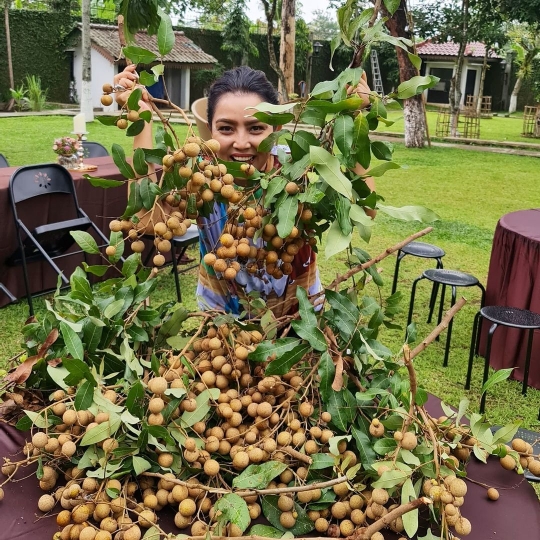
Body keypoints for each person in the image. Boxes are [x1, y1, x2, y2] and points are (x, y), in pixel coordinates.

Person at [113, 65, 375, 317]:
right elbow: (146, 223)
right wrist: (142, 120)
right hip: (220, 323)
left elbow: (364, 210)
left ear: (277, 130)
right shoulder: (199, 176)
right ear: (210, 132)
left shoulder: (298, 168)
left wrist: (356, 121)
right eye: (226, 128)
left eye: (256, 128)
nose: (241, 143)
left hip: (300, 317)